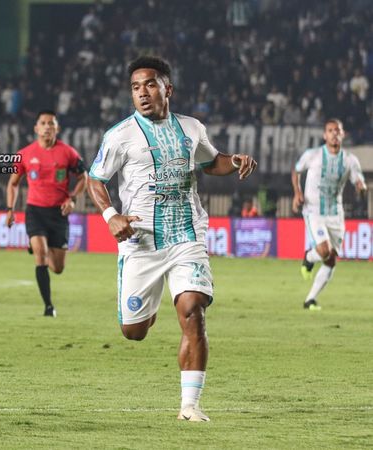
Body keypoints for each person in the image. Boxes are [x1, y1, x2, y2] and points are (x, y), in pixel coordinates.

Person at [87, 56, 257, 422]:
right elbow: (95, 178)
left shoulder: (192, 128)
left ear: (168, 89)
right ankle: (149, 309)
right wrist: (111, 215)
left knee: (193, 311)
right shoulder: (120, 136)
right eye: (135, 88)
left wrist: (236, 160)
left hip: (186, 235)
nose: (142, 93)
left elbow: (212, 162)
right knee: (134, 332)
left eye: (149, 84)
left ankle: (190, 406)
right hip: (141, 241)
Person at [5, 110, 86, 317]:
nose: (47, 126)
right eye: (43, 123)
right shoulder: (24, 154)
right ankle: (48, 306)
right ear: (36, 128)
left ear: (57, 128)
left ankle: (40, 247)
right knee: (40, 256)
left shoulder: (68, 153)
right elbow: (13, 184)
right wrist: (10, 209)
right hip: (35, 211)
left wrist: (73, 199)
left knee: (57, 268)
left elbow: (83, 177)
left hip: (59, 213)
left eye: (51, 123)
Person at [292, 119, 367, 310]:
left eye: (338, 130)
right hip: (314, 210)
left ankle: (310, 300)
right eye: (330, 130)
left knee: (331, 260)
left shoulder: (350, 160)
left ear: (343, 135)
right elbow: (296, 170)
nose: (334, 133)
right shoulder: (313, 155)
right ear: (325, 135)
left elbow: (359, 182)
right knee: (324, 251)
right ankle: (309, 258)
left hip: (336, 214)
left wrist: (361, 188)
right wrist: (297, 193)